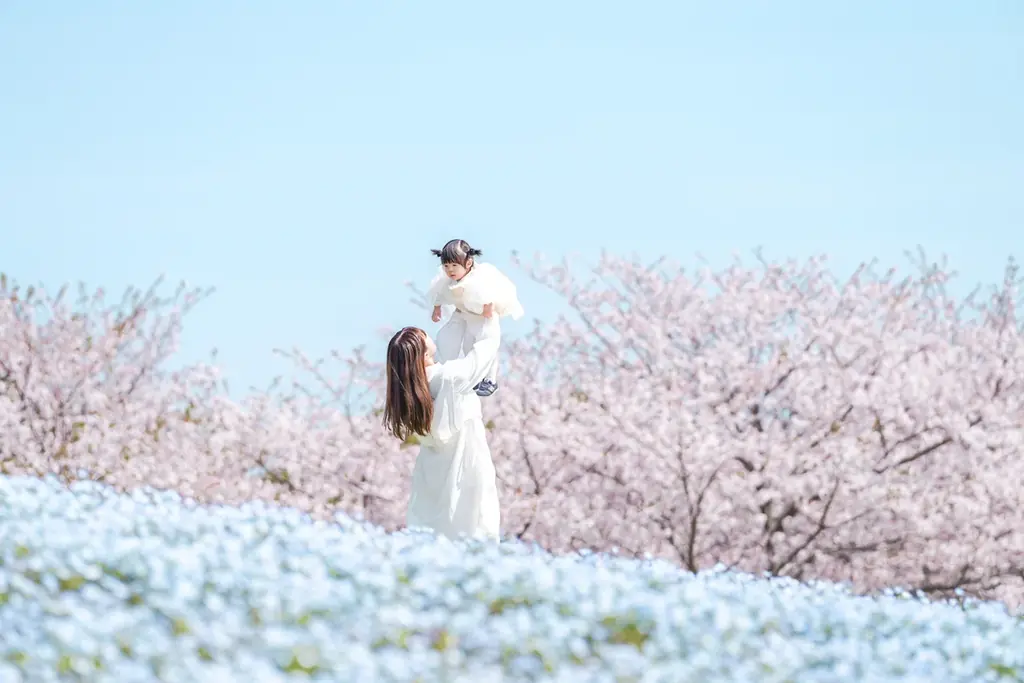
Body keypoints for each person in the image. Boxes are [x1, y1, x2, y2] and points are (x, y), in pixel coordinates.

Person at [383, 321, 501, 541]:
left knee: (436, 529)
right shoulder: (451, 377)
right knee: (474, 523)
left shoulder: (415, 390)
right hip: (464, 461)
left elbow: (449, 339)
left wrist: (461, 312)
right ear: (423, 354)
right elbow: (483, 353)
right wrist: (487, 321)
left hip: (432, 468)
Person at [426, 239, 524, 397]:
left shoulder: (479, 278)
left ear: (469, 263)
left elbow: (488, 293)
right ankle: (450, 369)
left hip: (483, 316)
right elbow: (440, 292)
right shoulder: (447, 280)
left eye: (454, 266)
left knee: (485, 345)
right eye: (446, 266)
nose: (450, 270)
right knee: (462, 344)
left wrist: (488, 309)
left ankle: (490, 379)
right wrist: (437, 308)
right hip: (464, 313)